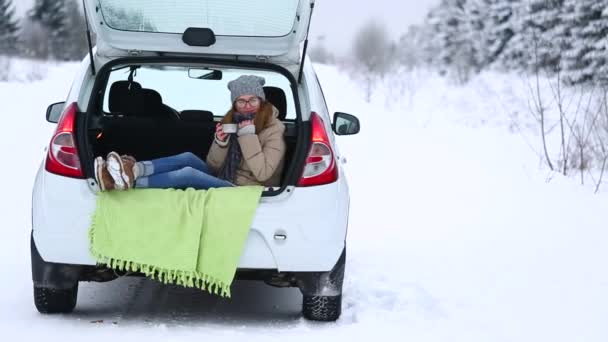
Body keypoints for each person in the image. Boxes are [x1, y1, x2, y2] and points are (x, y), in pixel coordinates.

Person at [94, 75, 286, 191]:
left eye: (253, 100)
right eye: (241, 101)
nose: (247, 106)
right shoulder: (232, 122)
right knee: (188, 157)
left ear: (262, 102)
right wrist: (220, 142)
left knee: (187, 174)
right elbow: (213, 166)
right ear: (234, 104)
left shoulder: (274, 130)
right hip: (225, 178)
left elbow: (263, 173)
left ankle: (130, 183)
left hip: (246, 190)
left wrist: (247, 136)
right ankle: (132, 171)